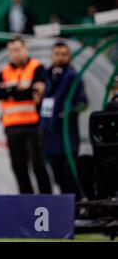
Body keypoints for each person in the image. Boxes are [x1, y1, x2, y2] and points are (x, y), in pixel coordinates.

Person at [0, 37, 51, 194]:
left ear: (25, 49)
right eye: (12, 50)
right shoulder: (4, 71)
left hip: (33, 125)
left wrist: (11, 91)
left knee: (39, 166)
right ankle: (26, 203)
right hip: (11, 126)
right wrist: (22, 89)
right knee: (19, 167)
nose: (15, 54)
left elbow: (36, 91)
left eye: (18, 49)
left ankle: (47, 201)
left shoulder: (37, 68)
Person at [40, 42, 88, 197]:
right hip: (49, 135)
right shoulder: (46, 76)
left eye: (63, 54)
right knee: (57, 175)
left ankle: (78, 205)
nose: (60, 58)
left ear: (69, 57)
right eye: (57, 54)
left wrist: (68, 112)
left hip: (67, 137)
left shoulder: (73, 77)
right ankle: (65, 208)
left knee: (70, 175)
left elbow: (83, 103)